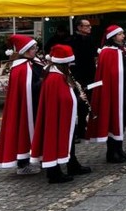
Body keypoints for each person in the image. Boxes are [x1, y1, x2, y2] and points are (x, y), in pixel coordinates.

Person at [30, 44, 92, 183]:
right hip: (56, 116)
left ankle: (72, 163)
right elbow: (63, 98)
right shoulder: (54, 77)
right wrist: (77, 98)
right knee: (55, 140)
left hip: (65, 115)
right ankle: (54, 172)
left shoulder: (60, 73)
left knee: (69, 140)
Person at [0, 34, 44, 175]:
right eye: (34, 48)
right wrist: (43, 81)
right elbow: (29, 88)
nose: (36, 50)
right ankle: (23, 164)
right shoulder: (21, 67)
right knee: (23, 130)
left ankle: (39, 159)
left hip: (36, 104)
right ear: (26, 50)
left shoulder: (35, 62)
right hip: (28, 106)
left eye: (36, 47)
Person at [85, 25, 126, 163]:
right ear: (113, 37)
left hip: (123, 90)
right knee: (113, 120)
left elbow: (122, 69)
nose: (123, 36)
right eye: (120, 34)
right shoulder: (108, 52)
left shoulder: (123, 49)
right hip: (112, 91)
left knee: (121, 120)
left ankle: (119, 149)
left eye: (122, 33)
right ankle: (111, 152)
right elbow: (112, 73)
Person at [68, 18, 97, 140]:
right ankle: (76, 131)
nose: (89, 28)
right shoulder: (72, 40)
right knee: (78, 102)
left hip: (90, 74)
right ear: (79, 27)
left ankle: (83, 128)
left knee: (87, 103)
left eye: (90, 26)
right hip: (77, 75)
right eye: (87, 26)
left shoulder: (90, 39)